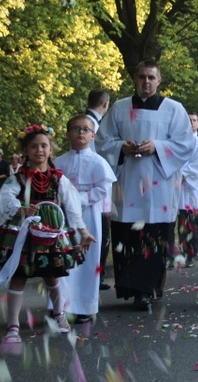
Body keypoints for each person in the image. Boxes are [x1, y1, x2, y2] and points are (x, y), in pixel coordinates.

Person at [95, 59, 196, 310]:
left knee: (153, 236)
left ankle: (148, 289)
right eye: (142, 77)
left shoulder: (173, 109)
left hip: (159, 185)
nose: (146, 82)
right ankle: (130, 286)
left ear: (159, 80)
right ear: (135, 79)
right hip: (128, 183)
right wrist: (121, 147)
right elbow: (102, 141)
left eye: (151, 77)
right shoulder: (119, 108)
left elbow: (186, 144)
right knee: (128, 236)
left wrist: (158, 147)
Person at [0, 124, 96, 343]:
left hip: (51, 236)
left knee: (52, 274)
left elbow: (72, 207)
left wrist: (84, 232)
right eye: (33, 147)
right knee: (19, 277)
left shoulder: (59, 180)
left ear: (51, 149)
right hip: (24, 236)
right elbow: (6, 199)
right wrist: (20, 208)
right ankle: (13, 326)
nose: (39, 150)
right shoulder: (18, 178)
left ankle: (59, 316)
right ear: (26, 151)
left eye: (43, 146)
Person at [55, 115, 116, 323]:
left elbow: (103, 187)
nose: (80, 132)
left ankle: (84, 306)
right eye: (75, 128)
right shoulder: (58, 162)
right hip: (64, 216)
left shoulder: (98, 162)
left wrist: (80, 199)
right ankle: (60, 305)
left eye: (85, 129)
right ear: (67, 133)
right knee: (63, 256)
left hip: (88, 213)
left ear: (93, 135)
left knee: (87, 259)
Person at [85, 88, 112, 291]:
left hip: (89, 184)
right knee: (99, 232)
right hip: (96, 185)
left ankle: (95, 272)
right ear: (105, 104)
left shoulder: (85, 121)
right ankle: (97, 273)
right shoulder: (94, 125)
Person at [173, 112, 198, 268]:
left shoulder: (195, 142)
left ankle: (190, 253)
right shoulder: (176, 138)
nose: (191, 123)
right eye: (188, 120)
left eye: (194, 120)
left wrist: (182, 175)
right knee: (177, 224)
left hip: (187, 188)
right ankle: (174, 254)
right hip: (174, 186)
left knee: (188, 223)